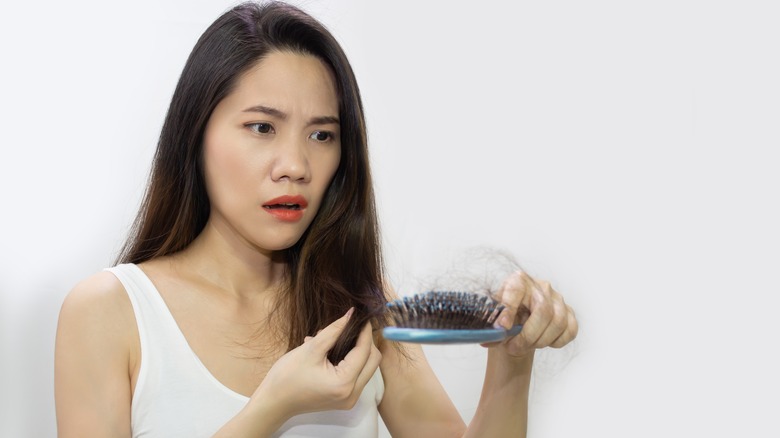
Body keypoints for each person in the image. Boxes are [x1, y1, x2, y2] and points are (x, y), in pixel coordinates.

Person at [54, 2, 578, 437]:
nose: (297, 166)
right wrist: (271, 408)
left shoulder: (359, 306)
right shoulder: (111, 313)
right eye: (262, 128)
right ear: (196, 134)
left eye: (322, 135)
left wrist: (512, 364)